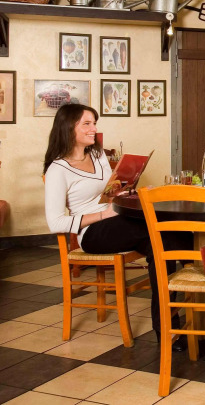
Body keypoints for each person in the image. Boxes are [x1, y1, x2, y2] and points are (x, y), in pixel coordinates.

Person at [43, 104, 192, 348]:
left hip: (116, 218)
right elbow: (55, 222)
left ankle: (168, 329)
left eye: (94, 123)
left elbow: (107, 193)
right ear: (68, 127)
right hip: (91, 231)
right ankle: (203, 277)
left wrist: (127, 191)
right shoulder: (58, 169)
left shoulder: (97, 155)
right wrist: (103, 214)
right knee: (166, 234)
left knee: (162, 243)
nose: (94, 129)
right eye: (87, 124)